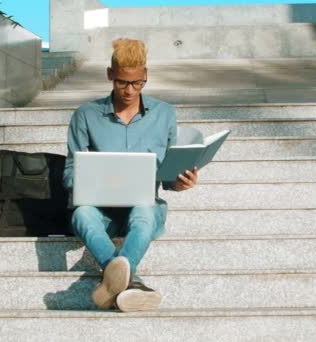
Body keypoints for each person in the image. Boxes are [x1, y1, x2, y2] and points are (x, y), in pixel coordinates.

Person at [62, 38, 198, 312]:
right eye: (122, 82)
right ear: (110, 75)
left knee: (146, 209)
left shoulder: (164, 114)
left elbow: (169, 175)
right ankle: (132, 285)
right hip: (102, 213)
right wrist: (91, 178)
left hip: (143, 211)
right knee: (82, 213)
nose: (130, 90)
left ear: (145, 75)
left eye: (137, 83)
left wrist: (180, 182)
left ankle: (114, 282)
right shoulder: (85, 115)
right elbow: (68, 173)